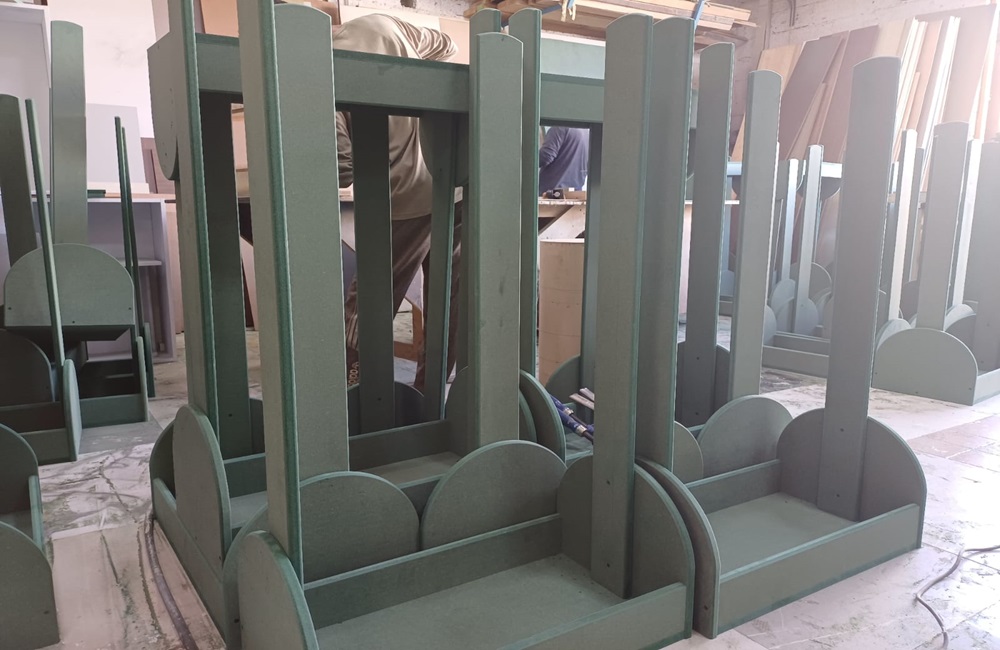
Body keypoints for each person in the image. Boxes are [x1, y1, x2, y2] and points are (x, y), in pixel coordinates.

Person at [334, 15, 461, 390]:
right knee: (448, 299)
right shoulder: (383, 25)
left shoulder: (321, 74)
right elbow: (447, 46)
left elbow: (342, 170)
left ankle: (355, 389)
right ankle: (429, 394)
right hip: (451, 183)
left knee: (369, 302)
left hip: (401, 198)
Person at [538, 126, 589, 195]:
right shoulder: (586, 131)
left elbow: (546, 156)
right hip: (575, 194)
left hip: (553, 194)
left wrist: (526, 159)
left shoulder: (559, 128)